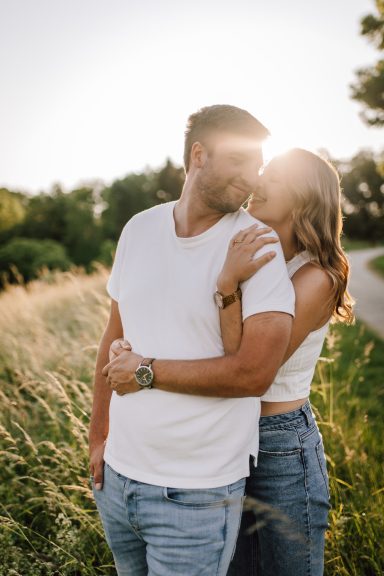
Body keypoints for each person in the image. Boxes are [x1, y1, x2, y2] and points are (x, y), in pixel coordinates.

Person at [108, 148, 354, 576]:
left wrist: (227, 283)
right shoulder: (251, 250)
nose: (258, 183)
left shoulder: (316, 277)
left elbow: (244, 363)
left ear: (304, 199)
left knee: (287, 567)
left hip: (279, 444)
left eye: (274, 178)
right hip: (227, 437)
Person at [89, 104, 295, 576]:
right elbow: (112, 336)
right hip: (118, 480)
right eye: (240, 162)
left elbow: (255, 373)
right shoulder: (138, 229)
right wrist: (98, 436)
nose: (252, 179)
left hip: (197, 494)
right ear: (198, 155)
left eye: (259, 167)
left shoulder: (256, 245)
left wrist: (146, 370)